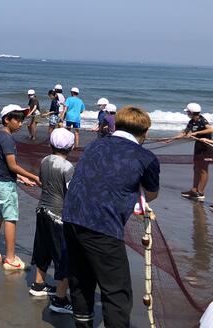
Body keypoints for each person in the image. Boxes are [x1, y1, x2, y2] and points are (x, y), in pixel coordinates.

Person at [63, 106, 160, 328]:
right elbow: (151, 193)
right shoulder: (146, 157)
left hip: (71, 215)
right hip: (103, 225)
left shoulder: (95, 145)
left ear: (116, 124)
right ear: (145, 132)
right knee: (117, 291)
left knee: (81, 279)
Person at [0, 104, 40, 271]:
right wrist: (34, 176)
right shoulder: (7, 139)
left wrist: (22, 178)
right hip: (4, 184)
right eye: (17, 120)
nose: (20, 123)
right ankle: (10, 258)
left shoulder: (0, 135)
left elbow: (3, 164)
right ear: (6, 120)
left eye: (22, 120)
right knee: (10, 218)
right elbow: (12, 165)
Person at [28, 127, 75, 315]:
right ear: (71, 147)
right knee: (63, 257)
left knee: (43, 248)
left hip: (42, 210)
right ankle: (60, 299)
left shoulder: (45, 160)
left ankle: (38, 285)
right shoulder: (68, 167)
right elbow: (72, 193)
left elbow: (42, 181)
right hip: (58, 215)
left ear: (51, 145)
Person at [175, 103, 213, 202]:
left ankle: (200, 193)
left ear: (191, 112)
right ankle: (194, 190)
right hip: (198, 147)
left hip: (207, 148)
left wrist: (196, 133)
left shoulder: (202, 120)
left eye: (188, 112)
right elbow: (184, 132)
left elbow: (210, 129)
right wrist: (171, 139)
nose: (187, 113)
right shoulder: (192, 121)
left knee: (203, 169)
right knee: (196, 168)